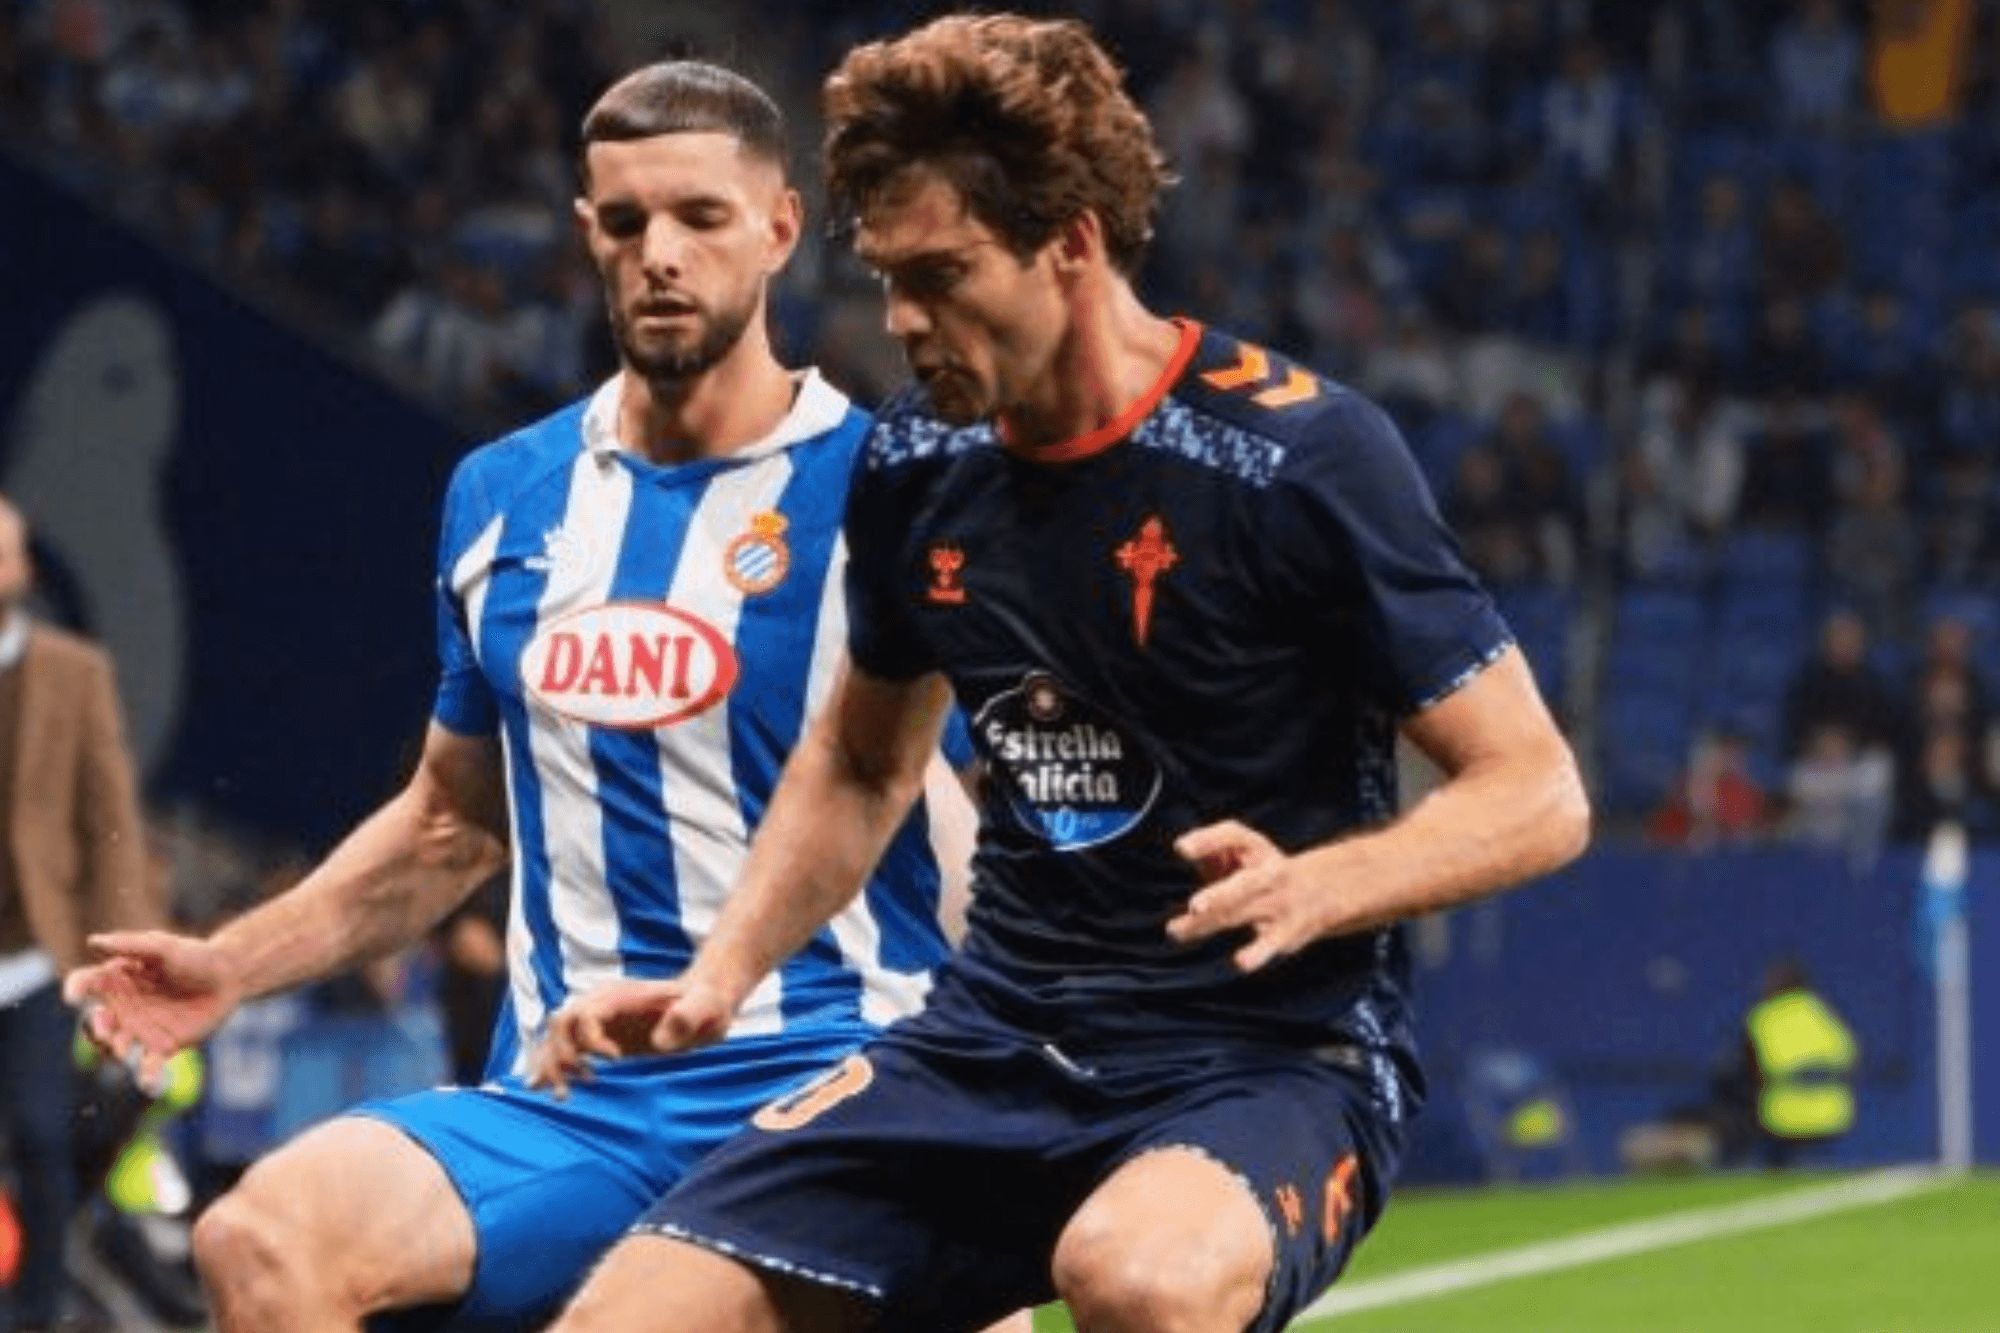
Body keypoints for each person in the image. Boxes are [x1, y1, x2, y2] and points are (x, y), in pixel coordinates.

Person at [533, 16, 1591, 1333]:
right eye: (885, 278)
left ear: (1074, 240)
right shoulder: (918, 466)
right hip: (992, 1044)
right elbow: (863, 760)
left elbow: (1538, 790)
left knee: (1135, 1276)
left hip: (1267, 1060)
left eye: (944, 273)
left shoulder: (1305, 460)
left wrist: (1326, 881)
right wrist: (717, 977)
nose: (905, 319)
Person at [65, 62, 987, 1332]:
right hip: (574, 1100)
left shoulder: (899, 488)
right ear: (584, 234)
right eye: (624, 223)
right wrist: (232, 964)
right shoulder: (506, 494)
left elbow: (967, 802)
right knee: (263, 1241)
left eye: (699, 218)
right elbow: (449, 822)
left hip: (832, 1078)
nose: (658, 253)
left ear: (780, 228)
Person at [0, 495, 158, 1333]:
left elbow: (111, 821)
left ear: (22, 570)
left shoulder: (72, 673)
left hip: (31, 956)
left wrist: (129, 951)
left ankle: (39, 1311)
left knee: (39, 1134)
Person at [1716, 959, 1857, 1167]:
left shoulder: (1763, 1015)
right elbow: (1851, 1058)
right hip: (1832, 1113)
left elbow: (1752, 1070)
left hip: (1782, 1116)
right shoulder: (1820, 1010)